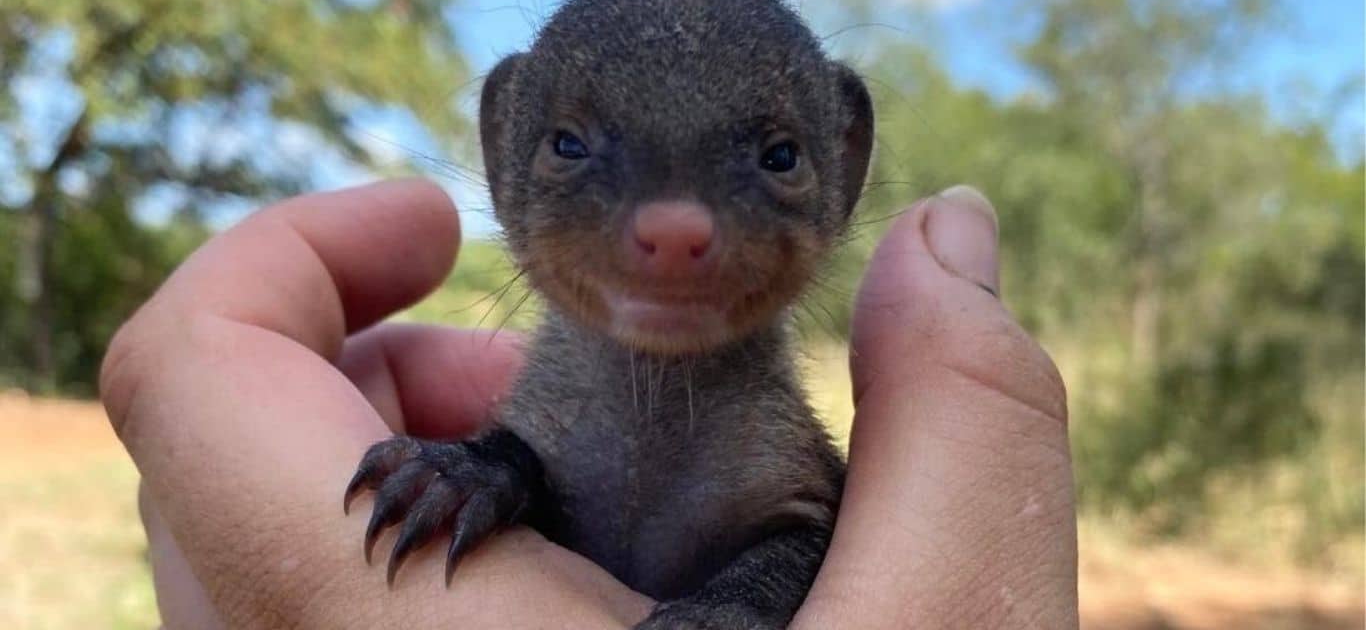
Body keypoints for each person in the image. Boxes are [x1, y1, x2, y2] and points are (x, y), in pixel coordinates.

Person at [101, 179, 1079, 628]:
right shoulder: (541, 401)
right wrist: (486, 473)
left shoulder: (774, 445)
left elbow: (799, 539)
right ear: (506, 152)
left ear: (841, 169)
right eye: (576, 147)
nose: (673, 218)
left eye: (770, 156)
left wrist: (738, 606)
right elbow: (533, 460)